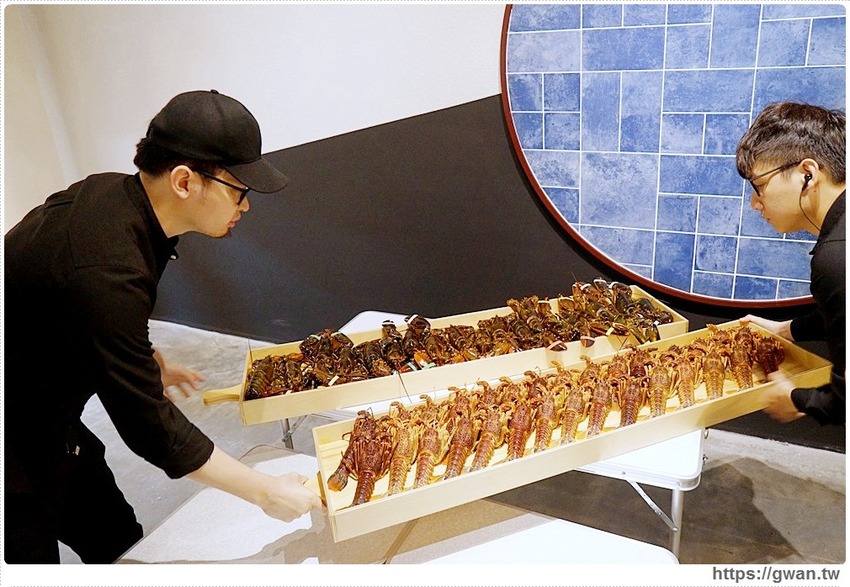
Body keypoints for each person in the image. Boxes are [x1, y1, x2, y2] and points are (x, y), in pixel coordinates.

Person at [4, 90, 324, 564]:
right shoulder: (106, 267)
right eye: (239, 191)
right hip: (13, 437)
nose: (245, 207)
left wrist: (144, 356)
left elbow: (71, 306)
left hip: (51, 418)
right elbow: (149, 425)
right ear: (184, 181)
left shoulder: (114, 198)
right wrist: (266, 491)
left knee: (117, 541)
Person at [735, 102, 845, 425]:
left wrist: (795, 399)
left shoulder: (836, 259)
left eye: (759, 186)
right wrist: (784, 330)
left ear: (806, 174)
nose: (755, 203)